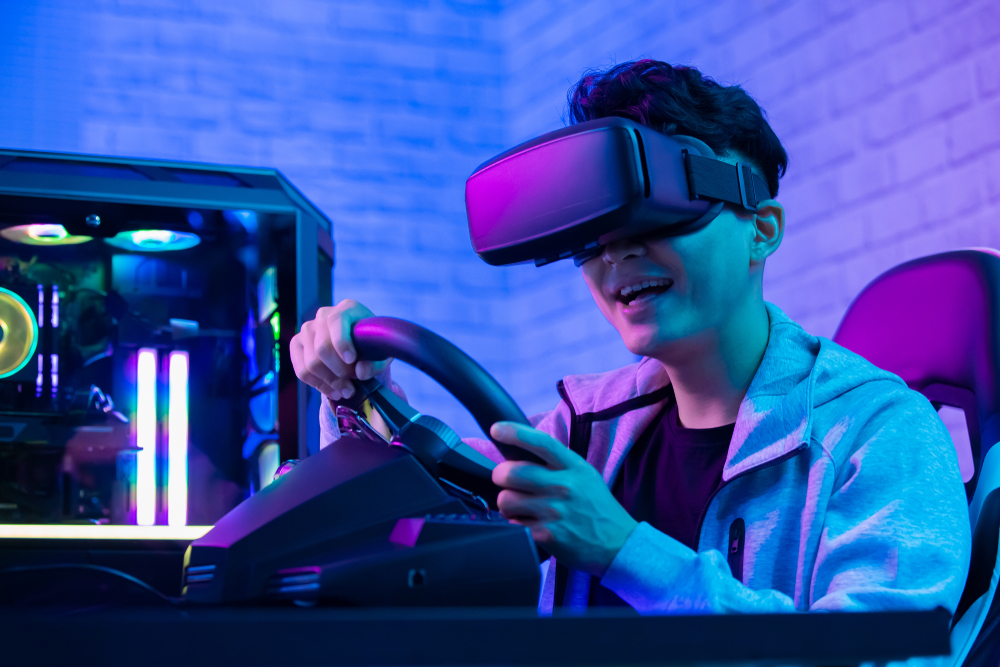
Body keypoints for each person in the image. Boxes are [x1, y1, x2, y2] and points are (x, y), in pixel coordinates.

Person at [290, 60, 970, 615]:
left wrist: (624, 550)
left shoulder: (879, 435)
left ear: (761, 230)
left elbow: (885, 656)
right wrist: (354, 389)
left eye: (659, 218)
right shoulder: (584, 430)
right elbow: (406, 529)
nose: (618, 255)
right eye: (594, 237)